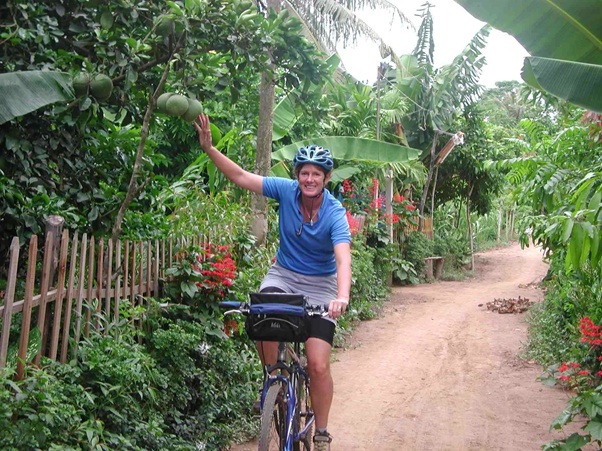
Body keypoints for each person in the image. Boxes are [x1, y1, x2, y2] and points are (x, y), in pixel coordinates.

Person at [194, 114, 351, 451]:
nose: (309, 179)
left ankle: (321, 431)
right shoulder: (286, 190)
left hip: (322, 286)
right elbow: (240, 176)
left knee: (318, 364)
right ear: (297, 176)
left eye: (316, 174)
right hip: (283, 275)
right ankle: (273, 379)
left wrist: (342, 295)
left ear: (326, 178)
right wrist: (209, 149)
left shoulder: (335, 213)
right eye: (304, 173)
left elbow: (342, 257)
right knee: (262, 317)